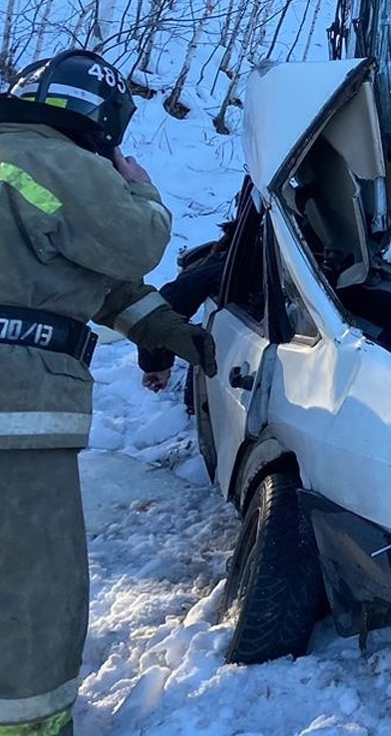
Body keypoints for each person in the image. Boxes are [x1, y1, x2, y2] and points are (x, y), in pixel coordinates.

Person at [0, 50, 217, 736]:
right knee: (34, 585)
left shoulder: (15, 164)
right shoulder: (53, 161)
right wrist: (144, 191)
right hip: (16, 406)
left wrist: (162, 327)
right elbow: (132, 242)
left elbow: (77, 277)